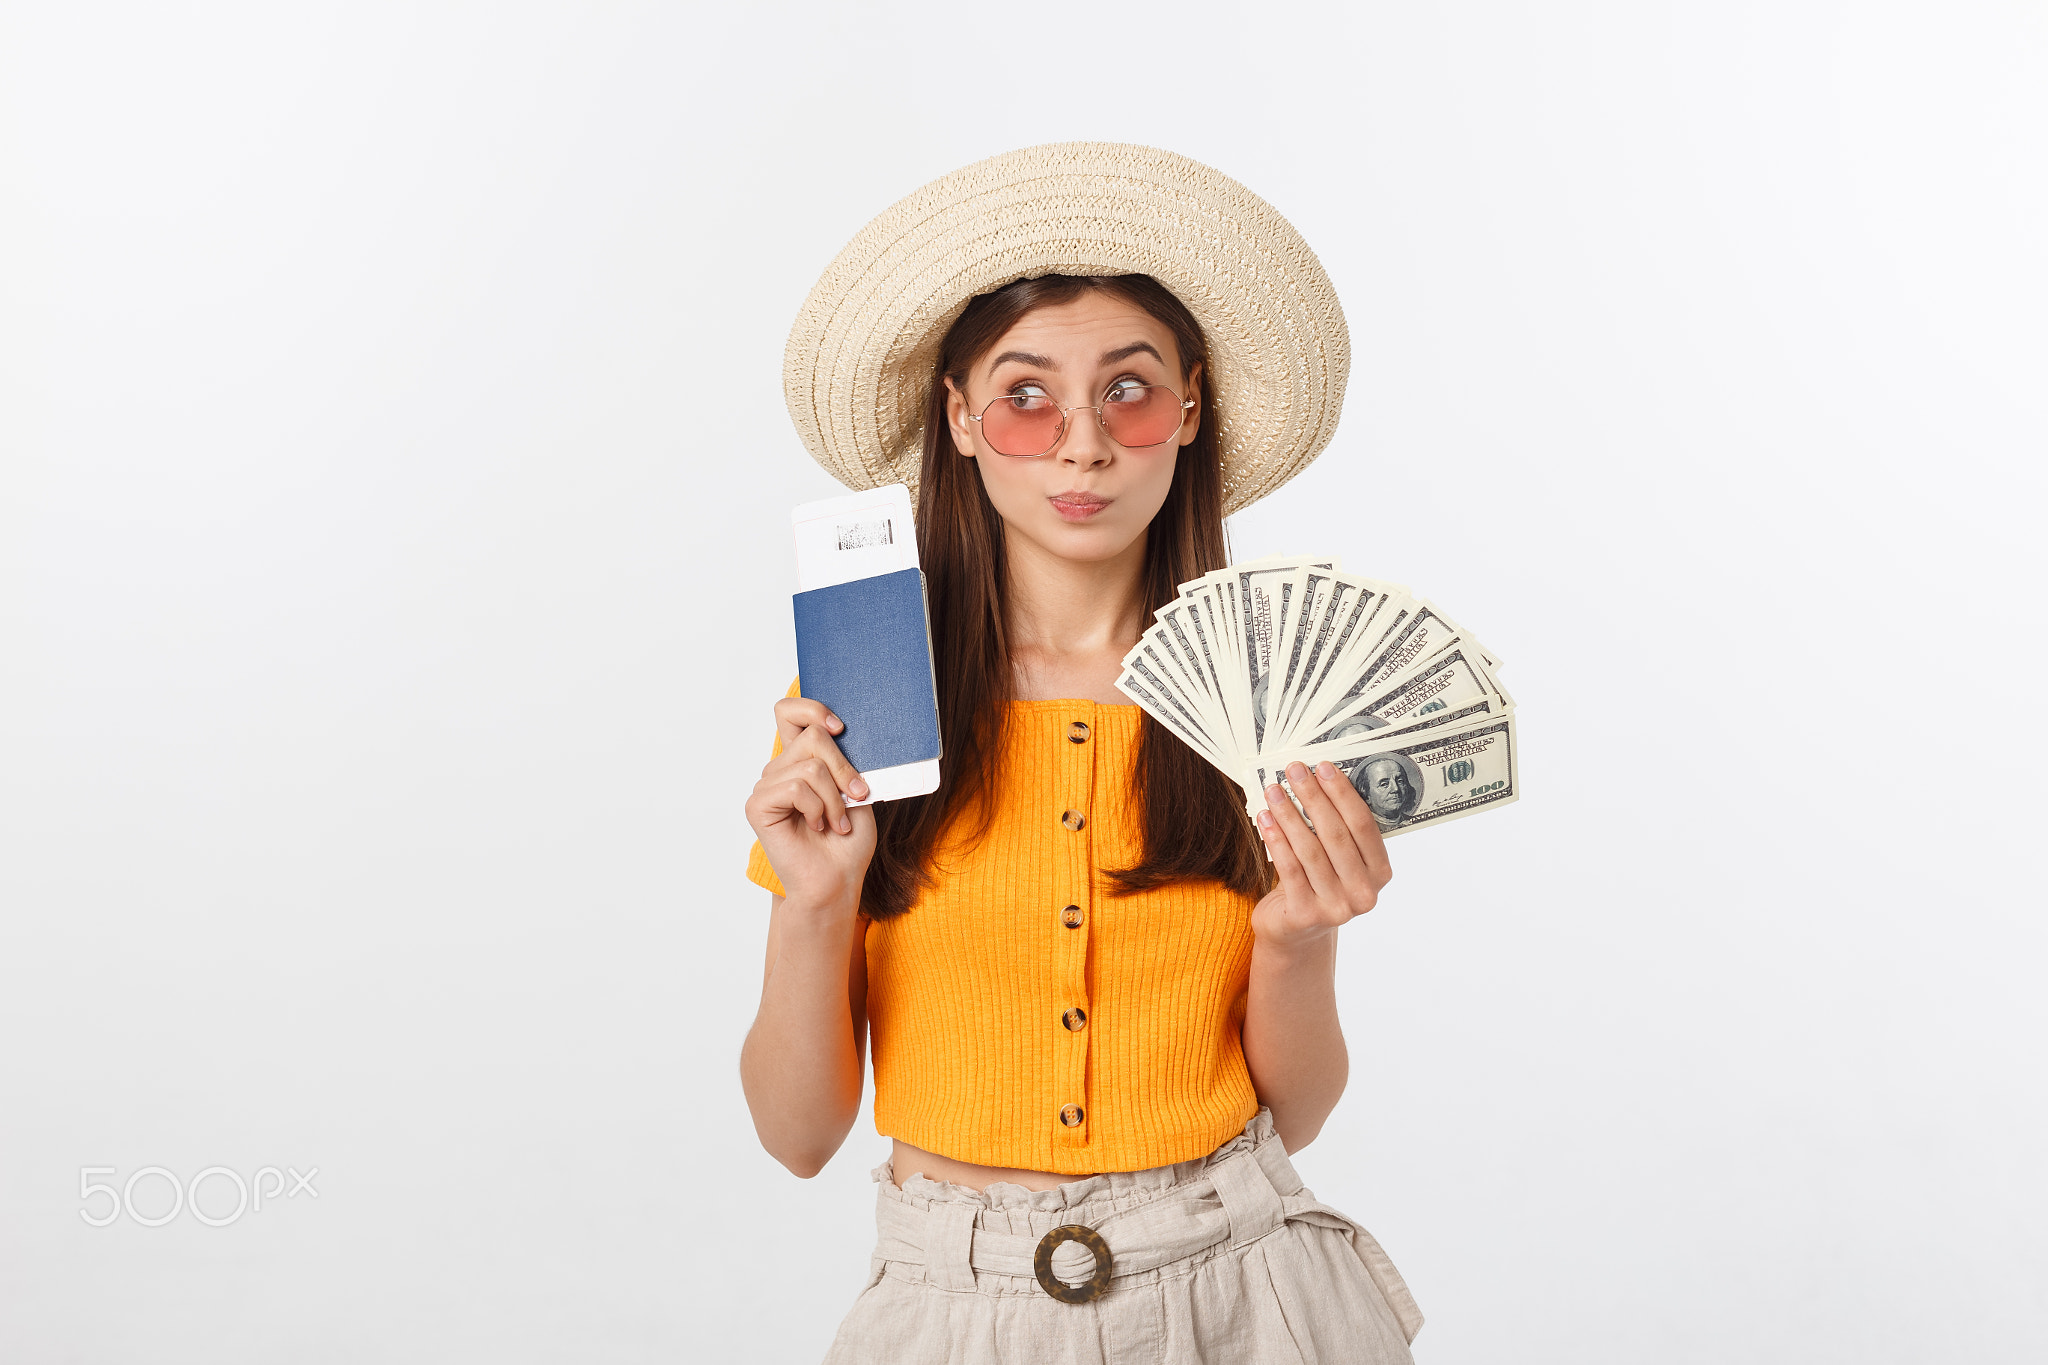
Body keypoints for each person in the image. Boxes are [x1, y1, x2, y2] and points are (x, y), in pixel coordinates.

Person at [740, 143, 1424, 1362]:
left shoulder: (1255, 704)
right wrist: (814, 904)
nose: (1081, 444)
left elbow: (1298, 1114)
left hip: (1242, 1293)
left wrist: (1298, 938)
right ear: (957, 418)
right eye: (1024, 396)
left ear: (1190, 409)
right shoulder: (864, 702)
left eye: (1128, 390)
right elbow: (796, 1137)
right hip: (950, 1307)